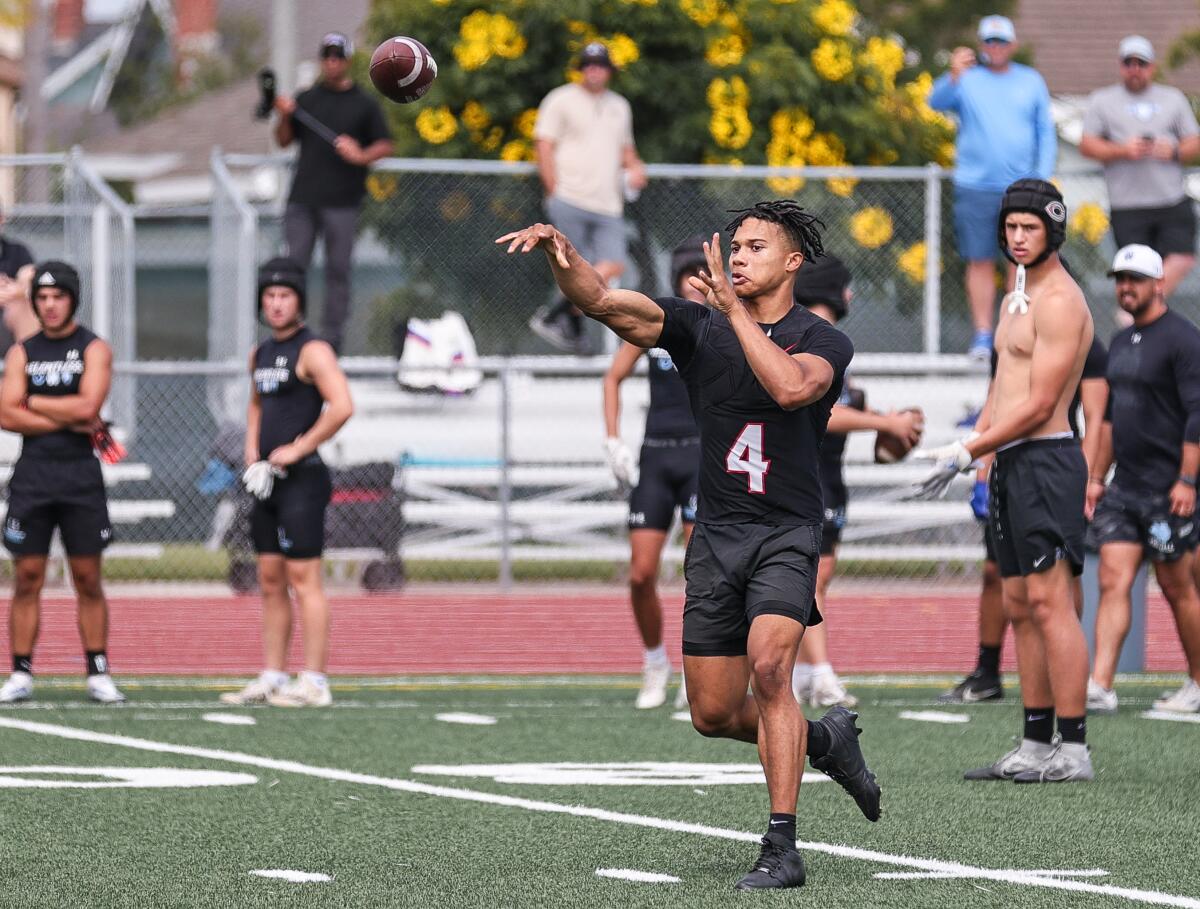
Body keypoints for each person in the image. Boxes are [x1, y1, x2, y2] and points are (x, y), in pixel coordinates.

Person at [499, 201, 881, 892]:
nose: (737, 256)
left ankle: (782, 846)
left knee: (771, 671)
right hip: (717, 534)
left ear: (793, 262)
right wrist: (565, 258)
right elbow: (606, 303)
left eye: (756, 247)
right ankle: (824, 740)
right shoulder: (697, 326)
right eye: (734, 246)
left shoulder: (821, 338)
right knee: (711, 713)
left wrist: (736, 312)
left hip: (787, 530)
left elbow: (793, 389)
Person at [916, 179, 1095, 783]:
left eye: (1031, 228)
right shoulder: (1015, 294)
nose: (1018, 238)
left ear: (1052, 231)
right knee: (1019, 603)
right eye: (1011, 228)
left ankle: (1073, 750)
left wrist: (969, 447)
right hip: (1011, 463)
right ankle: (1035, 743)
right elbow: (1002, 385)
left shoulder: (1061, 301)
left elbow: (1043, 403)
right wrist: (984, 450)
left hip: (1048, 460)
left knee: (1051, 604)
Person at [941, 332, 1109, 703]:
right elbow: (994, 400)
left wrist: (1090, 477)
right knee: (1000, 579)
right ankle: (989, 673)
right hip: (1007, 467)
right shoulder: (1011, 329)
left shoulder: (1081, 336)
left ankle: (1066, 684)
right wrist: (982, 466)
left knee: (1059, 583)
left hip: (1052, 469)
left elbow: (1095, 417)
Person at [790, 254, 923, 708]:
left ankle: (806, 671)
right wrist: (884, 421)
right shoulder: (804, 336)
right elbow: (818, 411)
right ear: (829, 288)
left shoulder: (831, 342)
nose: (851, 296)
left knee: (817, 578)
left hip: (831, 477)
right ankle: (818, 672)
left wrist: (897, 433)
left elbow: (848, 414)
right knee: (807, 579)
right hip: (802, 477)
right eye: (845, 287)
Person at [221, 258, 354, 708]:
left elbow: (342, 406)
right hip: (267, 483)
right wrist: (252, 453)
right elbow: (257, 405)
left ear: (299, 300)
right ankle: (273, 675)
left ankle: (314, 680)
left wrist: (298, 448)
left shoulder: (313, 350)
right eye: (270, 296)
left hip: (304, 480)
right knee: (270, 578)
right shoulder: (260, 353)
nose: (276, 304)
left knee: (304, 579)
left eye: (285, 296)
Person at [0, 262, 124, 704]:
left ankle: (98, 670)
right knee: (28, 575)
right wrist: (65, 414)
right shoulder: (22, 351)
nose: (50, 306)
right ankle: (20, 672)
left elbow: (90, 404)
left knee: (87, 577)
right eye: (43, 298)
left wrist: (31, 401)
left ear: (73, 299)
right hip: (33, 476)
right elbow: (5, 412)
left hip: (79, 478)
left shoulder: (93, 348)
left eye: (59, 297)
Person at [1084, 244, 1200, 715]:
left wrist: (1188, 481)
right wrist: (1095, 477)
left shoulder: (1183, 339)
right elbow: (1110, 419)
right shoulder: (1121, 341)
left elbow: (1197, 414)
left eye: (1134, 279)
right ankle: (1101, 684)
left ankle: (1197, 681)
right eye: (1120, 279)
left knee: (1178, 588)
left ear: (1158, 284)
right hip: (1124, 488)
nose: (1125, 287)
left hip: (1167, 489)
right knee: (1113, 580)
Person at [602, 237, 704, 710]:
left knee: (699, 571)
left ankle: (697, 666)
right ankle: (654, 660)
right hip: (656, 458)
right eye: (689, 276)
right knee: (641, 573)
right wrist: (612, 438)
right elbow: (613, 377)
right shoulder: (659, 324)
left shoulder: (721, 326)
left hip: (702, 458)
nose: (696, 285)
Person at [929, 14, 1057, 361]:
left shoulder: (1031, 80)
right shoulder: (966, 79)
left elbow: (1045, 131)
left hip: (1020, 188)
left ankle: (1015, 330)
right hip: (974, 185)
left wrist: (1040, 178)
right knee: (979, 260)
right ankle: (984, 336)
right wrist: (952, 74)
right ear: (981, 45)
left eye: (1000, 41)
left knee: (1018, 259)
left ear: (1012, 45)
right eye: (989, 41)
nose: (995, 48)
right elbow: (935, 102)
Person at [273, 32, 393, 353]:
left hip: (342, 202)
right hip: (302, 200)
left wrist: (361, 155)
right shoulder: (307, 99)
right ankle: (290, 333)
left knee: (338, 271)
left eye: (337, 56)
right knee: (293, 266)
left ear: (348, 60)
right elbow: (284, 140)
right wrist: (284, 113)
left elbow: (385, 143)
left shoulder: (364, 104)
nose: (331, 61)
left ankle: (330, 341)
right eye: (326, 55)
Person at [529, 42, 647, 354]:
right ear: (581, 68)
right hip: (570, 198)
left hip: (608, 204)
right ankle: (570, 325)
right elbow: (543, 145)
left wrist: (636, 168)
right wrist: (553, 190)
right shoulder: (560, 99)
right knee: (574, 269)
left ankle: (557, 315)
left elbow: (627, 151)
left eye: (600, 65)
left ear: (609, 70)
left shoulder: (620, 106)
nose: (594, 70)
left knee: (613, 265)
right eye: (589, 64)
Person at [1080, 37, 1199, 299]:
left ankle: (1148, 305)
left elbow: (1195, 142)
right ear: (1120, 65)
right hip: (1127, 204)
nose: (1135, 69)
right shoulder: (1102, 100)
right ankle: (1139, 319)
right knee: (1134, 270)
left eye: (1141, 63)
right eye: (1129, 62)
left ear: (1152, 66)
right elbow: (1087, 145)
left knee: (1183, 257)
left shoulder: (1173, 98)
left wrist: (1174, 150)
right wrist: (1123, 150)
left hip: (1170, 198)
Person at [0, 208, 37, 345]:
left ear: (2, 219)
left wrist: (18, 290)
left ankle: (29, 362)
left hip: (9, 318)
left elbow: (30, 277)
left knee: (24, 306)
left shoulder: (17, 251)